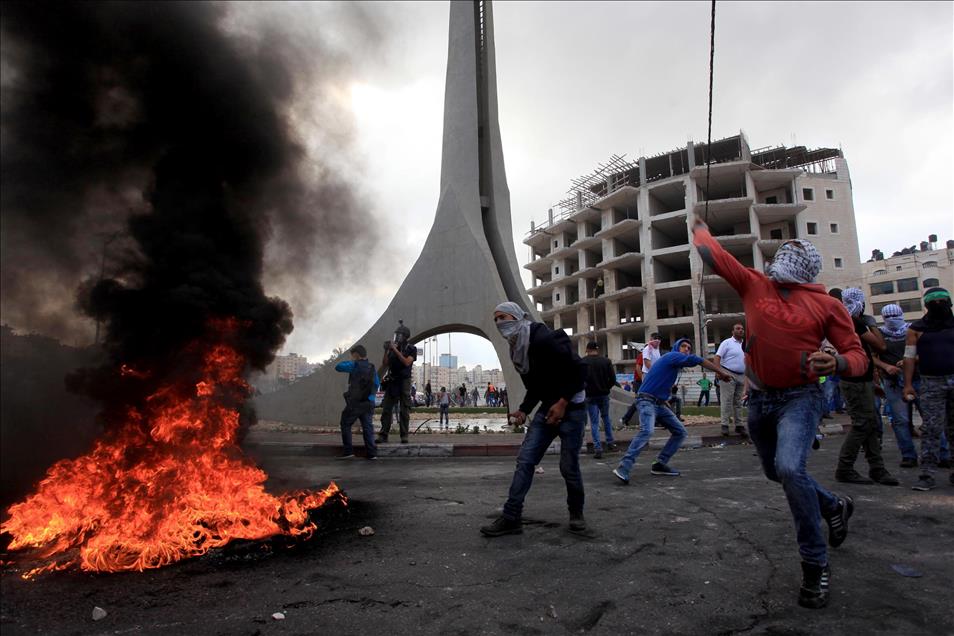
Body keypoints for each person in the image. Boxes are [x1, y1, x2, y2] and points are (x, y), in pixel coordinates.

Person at [693, 221, 867, 609]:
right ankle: (833, 505)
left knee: (789, 469)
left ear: (806, 267)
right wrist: (700, 230)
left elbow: (858, 357)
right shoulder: (755, 283)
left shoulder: (828, 305)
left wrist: (836, 361)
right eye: (780, 252)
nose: (780, 259)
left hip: (801, 398)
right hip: (760, 400)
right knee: (776, 471)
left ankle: (815, 564)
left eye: (791, 254)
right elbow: (715, 257)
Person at [480, 301, 588, 537]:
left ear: (518, 317)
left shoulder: (544, 338)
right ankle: (511, 517)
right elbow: (537, 386)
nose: (499, 323)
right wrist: (524, 409)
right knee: (526, 461)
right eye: (496, 319)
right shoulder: (517, 348)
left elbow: (580, 370)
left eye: (504, 317)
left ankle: (576, 513)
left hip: (572, 407)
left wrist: (562, 403)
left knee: (568, 467)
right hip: (548, 408)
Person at [613, 338, 729, 484]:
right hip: (646, 401)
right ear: (676, 347)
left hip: (659, 403)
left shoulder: (672, 367)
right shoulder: (672, 356)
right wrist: (721, 372)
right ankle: (624, 466)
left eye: (689, 347)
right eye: (683, 346)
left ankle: (660, 464)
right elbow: (698, 360)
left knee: (680, 432)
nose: (687, 349)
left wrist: (666, 405)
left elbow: (661, 387)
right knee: (647, 431)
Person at [834, 288, 898, 486]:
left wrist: (874, 376)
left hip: (862, 380)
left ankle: (877, 469)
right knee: (863, 424)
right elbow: (880, 346)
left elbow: (866, 355)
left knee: (869, 424)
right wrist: (873, 325)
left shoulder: (846, 321)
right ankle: (845, 468)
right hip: (856, 381)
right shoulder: (855, 322)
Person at [904, 287, 954, 491]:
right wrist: (907, 384)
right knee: (931, 429)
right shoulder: (916, 328)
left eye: (943, 301)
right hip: (930, 382)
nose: (939, 306)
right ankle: (926, 475)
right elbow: (909, 357)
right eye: (935, 302)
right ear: (927, 306)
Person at [874, 304, 918, 467]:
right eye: (888, 317)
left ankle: (942, 453)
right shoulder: (879, 334)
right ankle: (908, 455)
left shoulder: (913, 330)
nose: (892, 321)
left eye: (895, 316)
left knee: (930, 417)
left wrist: (911, 360)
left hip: (917, 378)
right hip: (892, 381)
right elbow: (871, 356)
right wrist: (885, 367)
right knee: (900, 420)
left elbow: (924, 351)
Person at [334, 345, 379, 460]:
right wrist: (370, 398)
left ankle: (348, 452)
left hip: (355, 403)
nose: (352, 357)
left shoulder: (354, 365)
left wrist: (352, 362)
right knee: (367, 427)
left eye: (352, 355)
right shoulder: (372, 367)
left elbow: (338, 367)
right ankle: (371, 453)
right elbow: (376, 384)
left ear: (356, 355)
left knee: (345, 423)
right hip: (368, 403)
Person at [376, 321, 417, 444]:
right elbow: (385, 363)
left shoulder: (411, 349)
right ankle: (383, 434)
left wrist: (395, 349)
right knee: (387, 409)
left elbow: (406, 362)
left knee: (404, 410)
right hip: (393, 381)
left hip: (404, 381)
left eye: (399, 335)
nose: (397, 337)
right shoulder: (393, 348)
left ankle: (404, 435)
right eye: (396, 335)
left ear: (405, 336)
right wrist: (386, 350)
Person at [582, 341, 619, 459]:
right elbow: (613, 380)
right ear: (597, 349)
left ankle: (598, 448)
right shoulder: (606, 361)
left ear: (587, 349)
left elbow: (580, 380)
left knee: (594, 422)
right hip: (603, 395)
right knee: (606, 418)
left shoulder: (583, 362)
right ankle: (610, 443)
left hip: (590, 396)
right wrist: (605, 388)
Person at [620, 334, 661, 426]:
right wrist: (644, 380)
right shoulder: (642, 355)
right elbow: (638, 368)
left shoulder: (656, 353)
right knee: (640, 400)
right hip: (639, 381)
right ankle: (626, 418)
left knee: (651, 399)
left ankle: (656, 420)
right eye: (655, 339)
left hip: (646, 379)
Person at [714, 323, 747, 437]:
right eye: (738, 329)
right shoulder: (727, 342)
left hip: (742, 375)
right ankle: (725, 425)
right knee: (727, 400)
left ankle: (739, 425)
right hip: (727, 373)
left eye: (742, 329)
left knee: (738, 401)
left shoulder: (745, 344)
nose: (741, 330)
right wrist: (719, 372)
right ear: (732, 332)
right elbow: (717, 357)